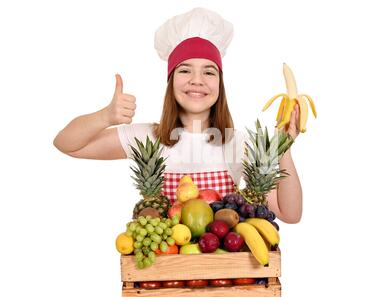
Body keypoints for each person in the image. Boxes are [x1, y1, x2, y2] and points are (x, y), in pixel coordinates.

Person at [53, 7, 303, 223]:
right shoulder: (145, 138)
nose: (197, 81)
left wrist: (284, 149)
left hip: (224, 275)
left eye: (208, 72)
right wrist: (105, 117)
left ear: (220, 84)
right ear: (171, 81)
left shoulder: (238, 142)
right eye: (185, 70)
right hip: (165, 274)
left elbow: (289, 213)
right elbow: (67, 144)